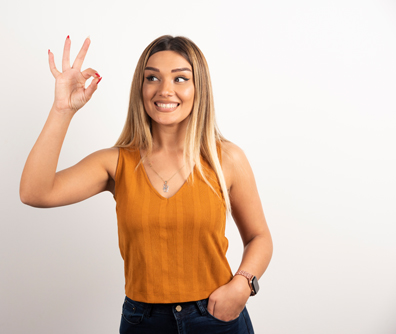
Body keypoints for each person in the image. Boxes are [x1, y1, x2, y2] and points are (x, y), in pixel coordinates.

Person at [20, 35, 272, 334]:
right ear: (140, 87)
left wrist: (243, 284)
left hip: (217, 318)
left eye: (180, 78)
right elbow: (35, 192)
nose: (165, 90)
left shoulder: (226, 158)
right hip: (143, 323)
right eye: (152, 77)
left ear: (198, 88)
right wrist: (63, 109)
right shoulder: (115, 162)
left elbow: (259, 237)